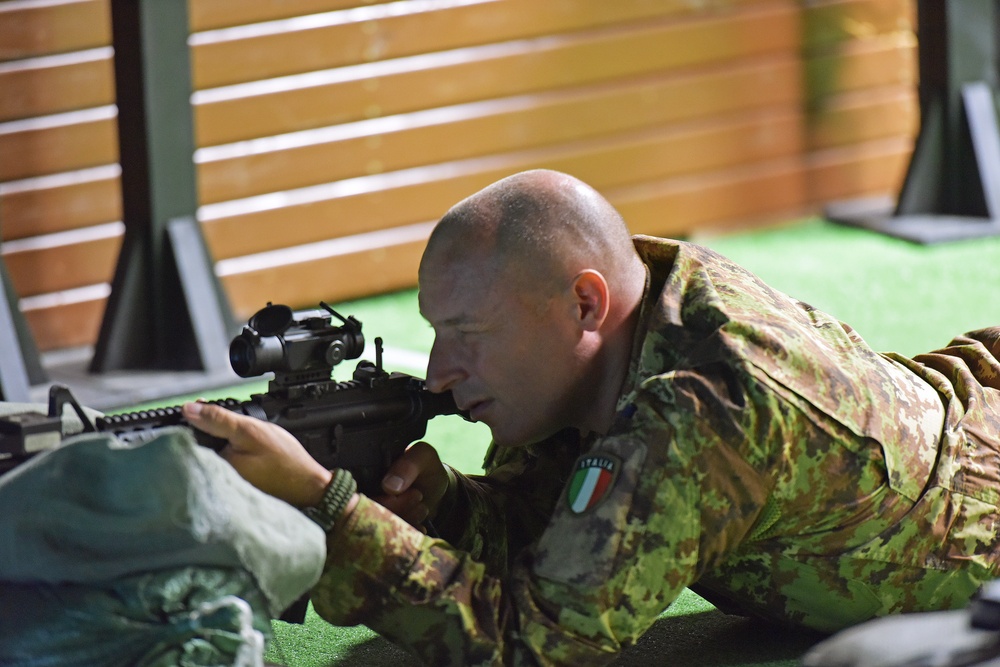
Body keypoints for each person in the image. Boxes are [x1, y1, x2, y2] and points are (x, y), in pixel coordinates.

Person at [182, 169, 1000, 665]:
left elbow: (532, 641)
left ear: (584, 303)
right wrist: (448, 508)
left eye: (467, 333)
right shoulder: (633, 306)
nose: (438, 372)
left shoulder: (697, 410)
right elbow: (564, 520)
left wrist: (331, 507)